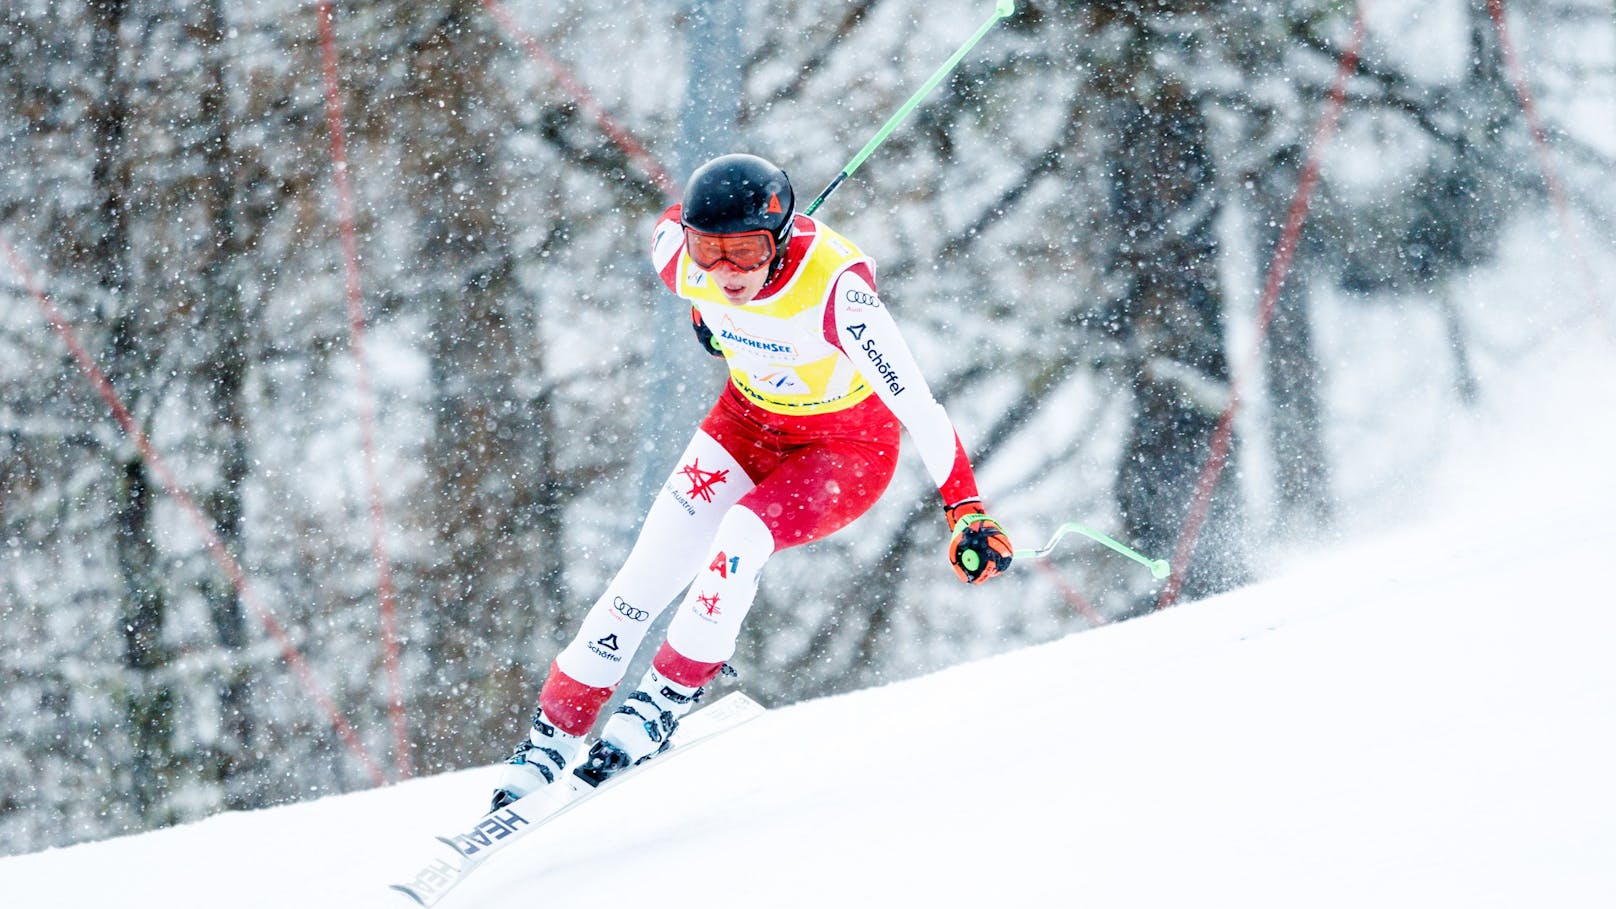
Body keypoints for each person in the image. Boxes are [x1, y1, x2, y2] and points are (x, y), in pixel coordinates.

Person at [491, 153, 1013, 808]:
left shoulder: (838, 293)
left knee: (740, 535)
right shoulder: (677, 256)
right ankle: (553, 734)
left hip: (842, 450)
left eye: (745, 252)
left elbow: (921, 411)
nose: (725, 271)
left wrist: (964, 506)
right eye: (711, 251)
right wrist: (705, 314)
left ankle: (666, 696)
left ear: (781, 239)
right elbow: (696, 278)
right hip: (744, 426)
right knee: (643, 576)